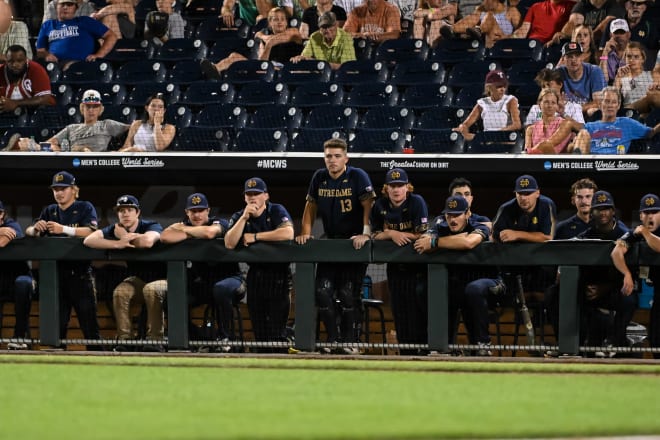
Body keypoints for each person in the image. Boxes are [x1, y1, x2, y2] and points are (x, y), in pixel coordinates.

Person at [295, 137, 376, 354]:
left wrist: (366, 234)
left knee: (348, 294)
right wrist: (305, 233)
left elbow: (369, 205)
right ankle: (333, 340)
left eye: (337, 156)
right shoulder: (319, 177)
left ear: (346, 158)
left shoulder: (357, 175)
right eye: (328, 156)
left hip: (353, 243)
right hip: (329, 241)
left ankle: (351, 341)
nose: (332, 160)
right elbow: (310, 205)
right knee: (322, 292)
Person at [144, 192, 245, 352]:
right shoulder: (187, 224)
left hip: (230, 279)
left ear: (208, 210)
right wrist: (189, 230)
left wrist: (184, 229)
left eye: (200, 210)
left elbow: (209, 233)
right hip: (204, 283)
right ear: (187, 212)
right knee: (173, 300)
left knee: (221, 289)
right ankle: (199, 339)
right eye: (193, 211)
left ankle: (225, 339)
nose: (197, 214)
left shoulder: (220, 222)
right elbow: (165, 237)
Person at [26, 171, 100, 349]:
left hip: (80, 275)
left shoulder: (84, 207)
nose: (59, 193)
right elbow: (29, 231)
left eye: (63, 189)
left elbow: (93, 232)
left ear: (73, 190)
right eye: (55, 189)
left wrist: (64, 229)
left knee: (90, 328)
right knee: (56, 329)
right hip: (55, 276)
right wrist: (36, 229)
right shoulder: (50, 210)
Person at [83, 194, 166, 352]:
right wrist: (117, 244)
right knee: (120, 292)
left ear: (138, 213)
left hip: (163, 279)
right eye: (121, 211)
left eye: (129, 210)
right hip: (139, 279)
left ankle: (155, 340)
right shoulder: (114, 229)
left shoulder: (151, 225)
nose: (125, 214)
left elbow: (147, 242)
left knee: (152, 290)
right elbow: (89, 240)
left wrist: (123, 236)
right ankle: (125, 339)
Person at [413, 195, 493, 355]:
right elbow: (423, 241)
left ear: (467, 213)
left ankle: (483, 346)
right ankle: (441, 346)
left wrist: (438, 242)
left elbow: (469, 242)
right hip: (454, 282)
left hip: (482, 280)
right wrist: (455, 239)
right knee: (425, 289)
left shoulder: (479, 225)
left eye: (457, 215)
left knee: (473, 291)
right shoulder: (439, 224)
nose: (453, 219)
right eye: (449, 215)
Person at [224, 177, 294, 350]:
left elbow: (288, 233)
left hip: (279, 274)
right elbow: (229, 243)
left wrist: (255, 237)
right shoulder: (240, 215)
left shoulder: (276, 210)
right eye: (249, 194)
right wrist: (244, 218)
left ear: (266, 196)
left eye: (257, 193)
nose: (252, 197)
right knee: (259, 328)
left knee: (277, 330)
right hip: (256, 273)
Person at [372, 168, 429, 353]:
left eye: (400, 186)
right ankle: (406, 352)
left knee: (417, 310)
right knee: (399, 310)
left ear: (407, 187)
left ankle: (423, 350)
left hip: (417, 266)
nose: (396, 190)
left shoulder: (417, 201)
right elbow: (374, 234)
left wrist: (398, 234)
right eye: (392, 186)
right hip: (394, 267)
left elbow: (423, 235)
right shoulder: (379, 205)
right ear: (386, 188)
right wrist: (391, 233)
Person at [575, 190, 635, 356]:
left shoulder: (624, 233)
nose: (602, 213)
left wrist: (605, 288)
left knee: (629, 299)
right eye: (598, 209)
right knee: (565, 295)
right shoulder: (587, 234)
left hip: (613, 290)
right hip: (590, 290)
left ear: (613, 211)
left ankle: (615, 340)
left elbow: (631, 275)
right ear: (592, 212)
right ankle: (573, 346)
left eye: (606, 208)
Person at [545, 177, 598, 345]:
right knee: (552, 295)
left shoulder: (604, 224)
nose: (584, 201)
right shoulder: (563, 228)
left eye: (588, 196)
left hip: (596, 284)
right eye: (580, 197)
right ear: (573, 200)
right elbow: (552, 259)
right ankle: (564, 345)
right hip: (570, 283)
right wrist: (557, 275)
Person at [611, 193, 660, 358]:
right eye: (646, 213)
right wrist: (626, 273)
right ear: (641, 215)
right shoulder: (635, 233)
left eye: (654, 212)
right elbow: (616, 252)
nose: (650, 216)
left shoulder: (644, 232)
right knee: (656, 338)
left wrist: (645, 233)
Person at [201, 7, 302, 78]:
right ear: (270, 23)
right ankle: (215, 69)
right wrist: (268, 46)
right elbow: (262, 62)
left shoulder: (294, 32)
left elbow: (274, 39)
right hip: (268, 68)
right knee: (234, 56)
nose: (280, 22)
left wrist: (265, 38)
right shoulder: (265, 38)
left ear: (286, 23)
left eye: (282, 19)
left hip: (287, 69)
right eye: (275, 19)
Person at [573, 86, 660, 154]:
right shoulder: (590, 126)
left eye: (614, 102)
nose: (610, 105)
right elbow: (574, 130)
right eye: (607, 101)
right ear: (600, 105)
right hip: (591, 164)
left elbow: (651, 133)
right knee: (581, 134)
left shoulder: (627, 123)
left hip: (615, 165)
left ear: (618, 106)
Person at [36, 0, 118, 70]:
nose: (65, 7)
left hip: (83, 64)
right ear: (56, 7)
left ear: (76, 8)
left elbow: (111, 36)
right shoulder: (48, 25)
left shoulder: (86, 21)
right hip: (55, 65)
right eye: (62, 4)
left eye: (69, 4)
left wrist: (99, 55)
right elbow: (40, 51)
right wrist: (46, 55)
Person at [0, 199, 34, 350]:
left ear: (2, 214)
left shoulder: (12, 224)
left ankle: (19, 337)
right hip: (1, 278)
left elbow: (2, 242)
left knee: (23, 284)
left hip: (18, 275)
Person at [453, 70, 522, 142]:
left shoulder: (510, 100)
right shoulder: (482, 103)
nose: (503, 89)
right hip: (486, 141)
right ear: (489, 87)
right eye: (499, 86)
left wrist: (497, 133)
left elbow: (517, 125)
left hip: (504, 140)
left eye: (504, 86)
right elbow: (466, 124)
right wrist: (462, 128)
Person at [493, 174, 556, 244]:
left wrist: (517, 234)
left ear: (537, 193)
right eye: (520, 193)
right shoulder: (506, 209)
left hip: (540, 251)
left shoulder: (546, 205)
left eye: (527, 193)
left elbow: (548, 237)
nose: (523, 198)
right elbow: (494, 236)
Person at [439, 0, 521, 48]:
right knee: (476, 15)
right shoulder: (481, 11)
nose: (484, 1)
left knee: (489, 16)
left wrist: (508, 37)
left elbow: (522, 32)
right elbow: (470, 19)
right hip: (484, 43)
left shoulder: (511, 12)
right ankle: (453, 30)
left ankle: (478, 30)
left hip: (502, 44)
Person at [290, 11, 356, 70]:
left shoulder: (346, 38)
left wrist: (317, 63)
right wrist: (300, 59)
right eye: (324, 27)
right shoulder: (314, 37)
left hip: (342, 76)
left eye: (330, 26)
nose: (327, 30)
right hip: (320, 75)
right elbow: (305, 57)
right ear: (319, 28)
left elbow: (347, 67)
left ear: (336, 25)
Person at [0, 45, 55, 114]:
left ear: (26, 60)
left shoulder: (36, 69)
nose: (14, 64)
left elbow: (45, 98)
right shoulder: (1, 71)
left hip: (35, 114)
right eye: (10, 61)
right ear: (6, 61)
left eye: (19, 61)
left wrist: (15, 103)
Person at [556, 41, 606, 114]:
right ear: (563, 59)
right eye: (570, 56)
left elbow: (598, 102)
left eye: (577, 55)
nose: (574, 60)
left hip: (586, 114)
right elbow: (548, 99)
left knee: (593, 111)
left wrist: (575, 110)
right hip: (565, 116)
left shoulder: (595, 71)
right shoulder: (558, 73)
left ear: (582, 57)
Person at [524, 88, 575, 154]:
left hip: (556, 162)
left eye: (553, 103)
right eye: (546, 102)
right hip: (535, 162)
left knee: (546, 145)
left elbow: (547, 145)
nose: (550, 106)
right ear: (539, 104)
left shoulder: (564, 124)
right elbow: (526, 152)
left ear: (557, 106)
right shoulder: (530, 129)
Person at [510, 0, 574, 45]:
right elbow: (523, 31)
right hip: (532, 45)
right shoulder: (535, 7)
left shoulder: (572, 6)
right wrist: (506, 39)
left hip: (554, 46)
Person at [560, 0, 624, 42]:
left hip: (602, 49)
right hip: (582, 46)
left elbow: (605, 26)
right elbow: (572, 25)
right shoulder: (582, 4)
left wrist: (585, 39)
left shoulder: (614, 5)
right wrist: (563, 35)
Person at [614, 42, 654, 107]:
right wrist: (617, 78)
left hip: (648, 111)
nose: (632, 60)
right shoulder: (621, 78)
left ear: (643, 59)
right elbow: (614, 100)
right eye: (629, 56)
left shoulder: (651, 75)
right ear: (625, 59)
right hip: (629, 113)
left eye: (636, 57)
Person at [599, 18, 631, 84]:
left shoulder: (635, 50)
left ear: (628, 34)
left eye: (622, 32)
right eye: (616, 32)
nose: (619, 36)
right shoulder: (606, 52)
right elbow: (602, 80)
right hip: (609, 90)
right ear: (611, 35)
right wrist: (604, 53)